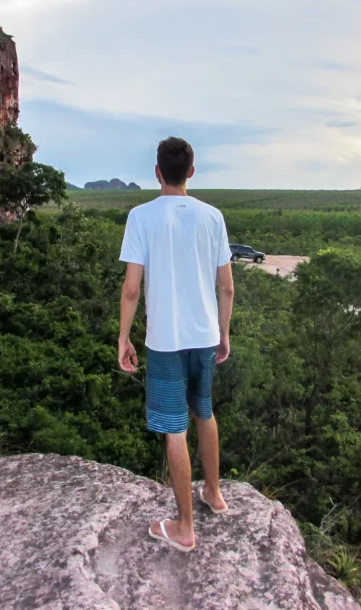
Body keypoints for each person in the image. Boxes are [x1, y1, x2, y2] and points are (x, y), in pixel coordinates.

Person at [117, 137, 235, 552]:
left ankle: (185, 529)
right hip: (204, 336)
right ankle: (215, 495)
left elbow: (132, 290)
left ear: (156, 172)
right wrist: (223, 333)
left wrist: (124, 337)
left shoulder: (140, 216)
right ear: (191, 171)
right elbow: (226, 287)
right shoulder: (213, 217)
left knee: (173, 430)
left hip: (165, 341)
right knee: (204, 411)